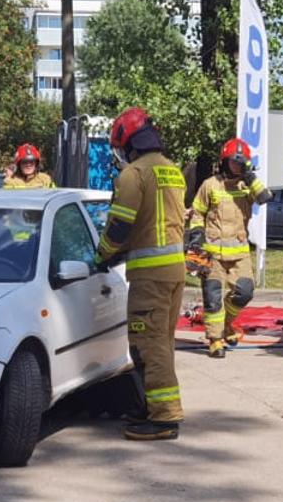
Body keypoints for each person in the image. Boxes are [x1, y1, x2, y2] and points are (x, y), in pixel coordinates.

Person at [96, 107, 187, 441]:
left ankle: (164, 418)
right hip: (174, 272)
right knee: (162, 342)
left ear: (128, 142)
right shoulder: (172, 171)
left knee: (149, 345)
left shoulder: (133, 175)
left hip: (149, 277)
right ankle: (151, 406)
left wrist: (102, 255)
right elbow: (154, 223)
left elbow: (120, 226)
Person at [188, 138, 271, 358]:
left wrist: (250, 176)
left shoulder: (247, 186)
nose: (237, 166)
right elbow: (197, 214)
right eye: (234, 163)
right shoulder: (210, 185)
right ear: (224, 162)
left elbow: (265, 197)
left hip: (239, 252)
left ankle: (226, 324)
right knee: (212, 296)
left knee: (245, 292)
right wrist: (196, 237)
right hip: (212, 252)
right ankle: (215, 340)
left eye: (241, 163)